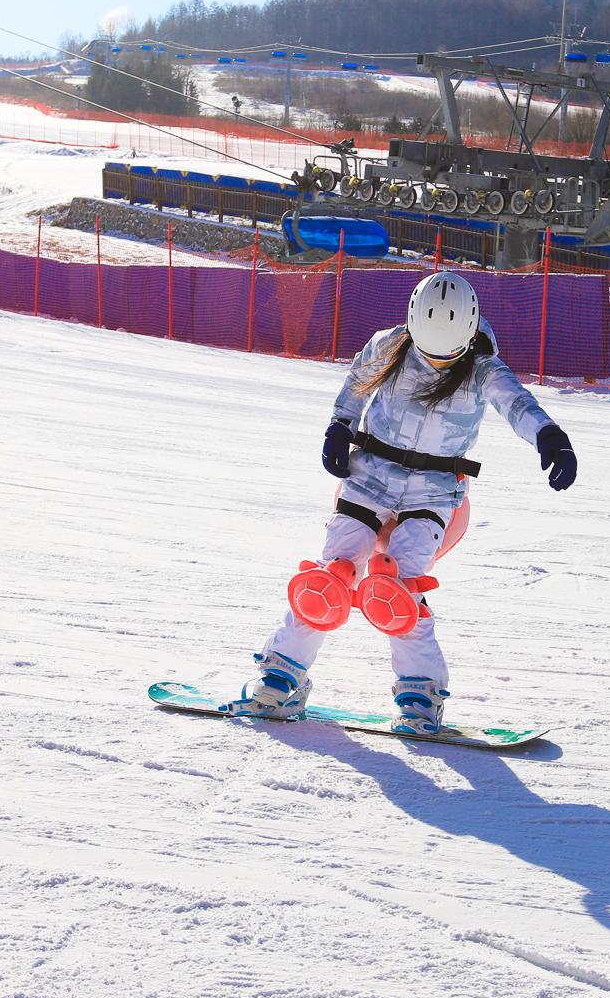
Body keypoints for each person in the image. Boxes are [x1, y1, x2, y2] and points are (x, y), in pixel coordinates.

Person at [223, 271, 577, 735]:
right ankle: (281, 679)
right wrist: (340, 426)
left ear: (468, 336)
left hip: (432, 490)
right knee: (330, 576)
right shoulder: (388, 345)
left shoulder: (483, 367)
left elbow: (517, 404)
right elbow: (356, 384)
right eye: (429, 351)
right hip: (370, 477)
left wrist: (550, 437)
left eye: (449, 354)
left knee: (401, 590)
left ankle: (420, 694)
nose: (437, 362)